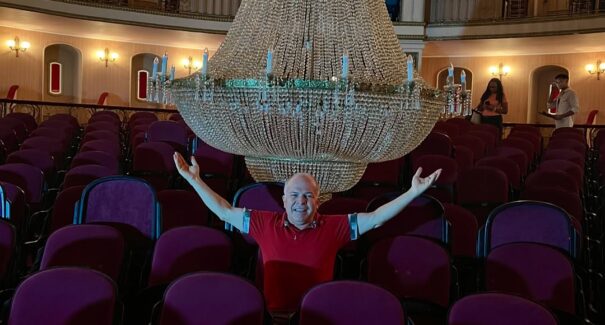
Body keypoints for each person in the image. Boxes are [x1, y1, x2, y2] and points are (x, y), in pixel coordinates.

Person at [173, 152, 441, 314]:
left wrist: (412, 193)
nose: (301, 201)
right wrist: (194, 180)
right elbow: (223, 210)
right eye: (295, 195)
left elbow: (375, 219)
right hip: (273, 317)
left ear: (318, 200)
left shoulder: (334, 227)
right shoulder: (264, 223)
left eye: (308, 196)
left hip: (316, 316)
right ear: (284, 199)